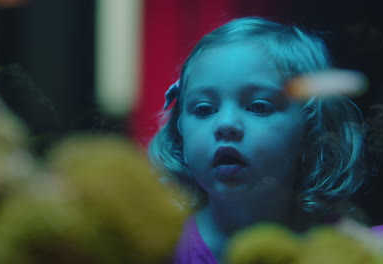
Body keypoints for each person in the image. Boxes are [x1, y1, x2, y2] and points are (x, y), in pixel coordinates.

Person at [148, 17, 367, 263]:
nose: (226, 124)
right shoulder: (152, 250)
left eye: (258, 106)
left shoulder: (363, 251)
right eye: (204, 109)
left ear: (312, 126)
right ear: (179, 130)